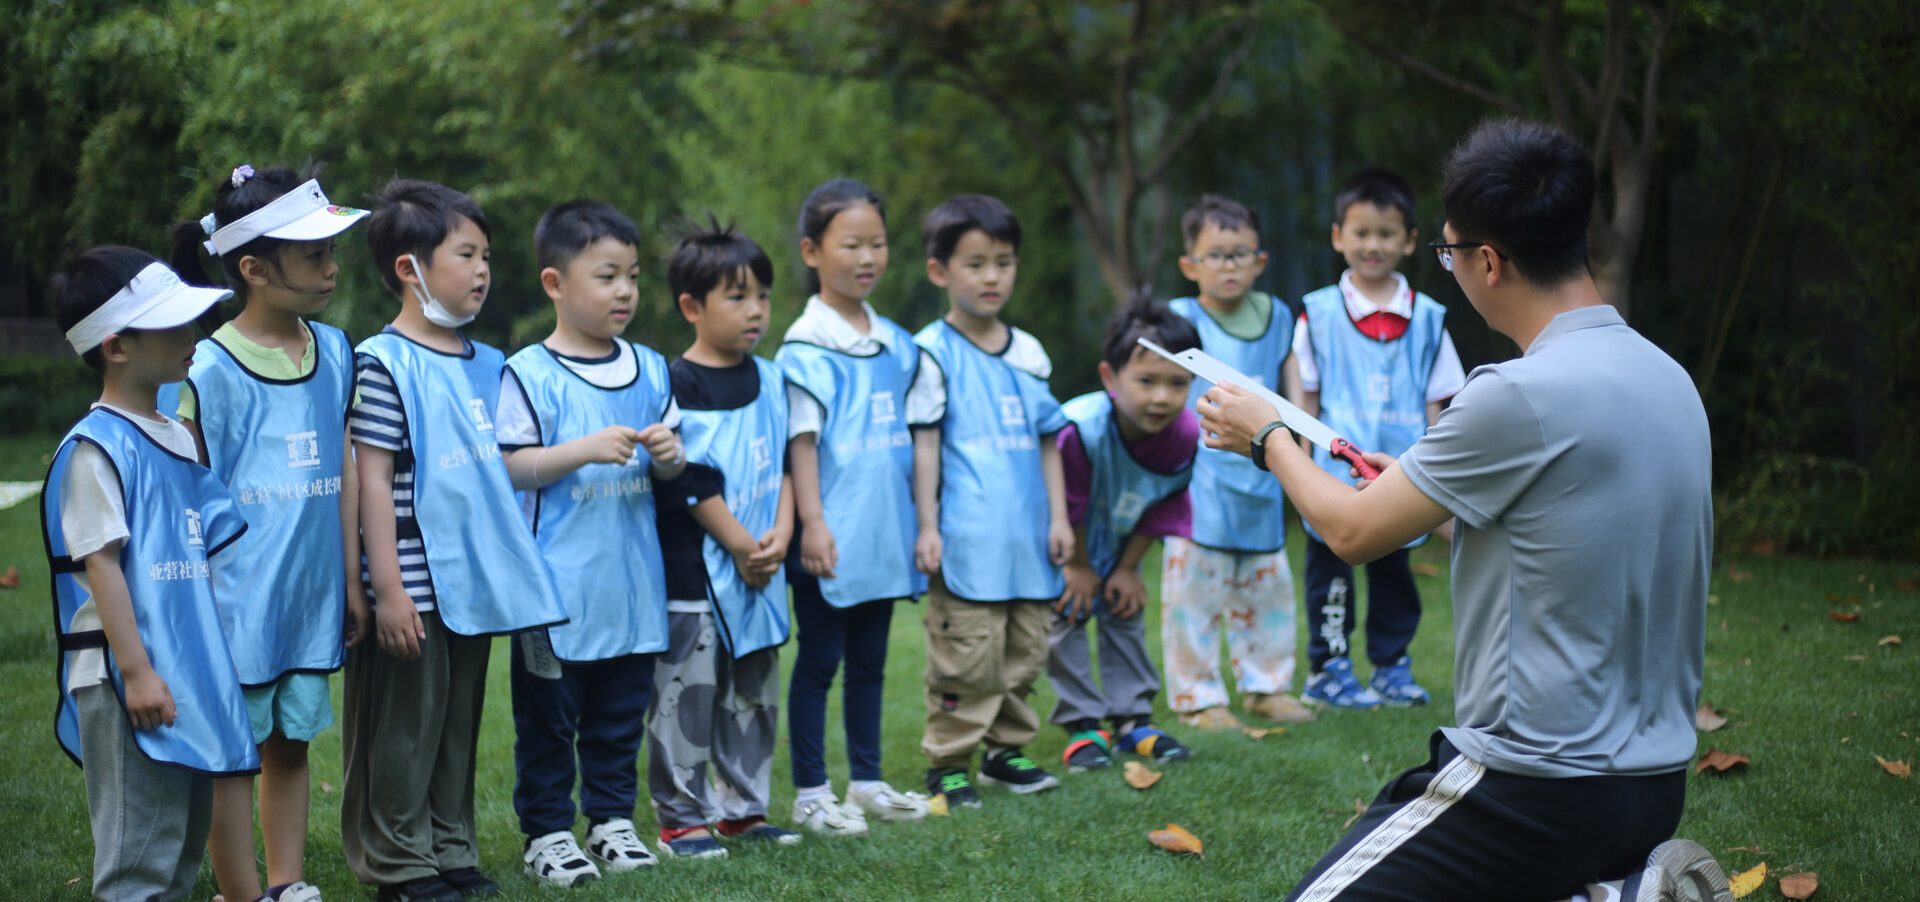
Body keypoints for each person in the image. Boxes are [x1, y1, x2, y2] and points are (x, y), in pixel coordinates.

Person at [1196, 118, 1729, 902]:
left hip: (1530, 785)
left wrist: (1269, 434)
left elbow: (1347, 533)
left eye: (1446, 252)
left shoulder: (1515, 393)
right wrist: (1423, 484)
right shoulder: (1666, 377)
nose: (1447, 269)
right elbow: (1561, 524)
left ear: (1487, 261)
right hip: (1653, 785)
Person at [342, 180, 569, 902]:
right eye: (465, 254)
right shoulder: (382, 362)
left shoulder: (488, 363)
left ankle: (450, 849)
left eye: (487, 256)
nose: (481, 271)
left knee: (454, 727)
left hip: (474, 585)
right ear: (410, 268)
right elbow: (371, 482)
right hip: (413, 583)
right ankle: (400, 866)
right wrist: (389, 592)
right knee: (401, 731)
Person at [163, 164, 370, 902]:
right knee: (231, 753)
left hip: (308, 596)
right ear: (253, 268)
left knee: (290, 743)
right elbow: (180, 496)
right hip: (233, 603)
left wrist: (350, 580)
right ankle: (240, 891)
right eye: (314, 255)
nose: (331, 266)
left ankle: (287, 884)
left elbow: (343, 468)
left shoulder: (337, 350)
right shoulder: (205, 368)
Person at [43, 247, 258, 902]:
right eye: (173, 325)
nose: (192, 336)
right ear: (117, 347)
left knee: (181, 844)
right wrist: (135, 673)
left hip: (179, 672)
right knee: (139, 853)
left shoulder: (173, 433)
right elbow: (100, 563)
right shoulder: (97, 446)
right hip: (124, 678)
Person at [496, 201, 686, 886]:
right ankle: (548, 833)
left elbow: (673, 467)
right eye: (607, 276)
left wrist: (667, 454)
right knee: (548, 722)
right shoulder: (528, 371)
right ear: (555, 283)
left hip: (633, 585)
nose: (625, 292)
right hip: (556, 593)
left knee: (617, 718)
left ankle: (610, 821)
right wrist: (578, 450)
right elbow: (513, 465)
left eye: (632, 276)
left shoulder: (650, 368)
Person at [778, 178, 931, 837]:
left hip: (886, 533)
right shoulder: (805, 347)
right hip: (830, 536)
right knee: (819, 663)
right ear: (813, 252)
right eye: (851, 245)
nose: (867, 257)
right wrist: (812, 524)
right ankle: (811, 793)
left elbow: (923, 439)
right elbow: (801, 444)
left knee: (870, 663)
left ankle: (865, 783)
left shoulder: (901, 344)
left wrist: (926, 524)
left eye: (878, 243)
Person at [646, 220, 800, 859]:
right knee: (689, 696)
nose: (756, 310)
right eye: (736, 297)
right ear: (691, 306)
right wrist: (740, 544)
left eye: (761, 295)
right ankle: (682, 817)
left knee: (753, 696)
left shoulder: (771, 377)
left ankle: (744, 808)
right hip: (698, 575)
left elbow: (787, 461)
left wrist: (782, 533)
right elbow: (690, 479)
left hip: (764, 567)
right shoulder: (674, 384)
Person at [912, 194, 1071, 807]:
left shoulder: (1028, 352)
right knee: (965, 657)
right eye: (975, 263)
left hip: (1028, 539)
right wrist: (927, 526)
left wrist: (1059, 517)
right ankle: (949, 763)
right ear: (940, 272)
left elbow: (1048, 441)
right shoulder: (931, 352)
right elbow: (925, 447)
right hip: (965, 540)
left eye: (1003, 262)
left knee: (1023, 651)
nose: (991, 277)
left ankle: (1006, 753)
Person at [1292, 168, 1466, 710]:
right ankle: (1330, 669)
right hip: (1332, 476)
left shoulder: (1431, 319)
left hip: (1402, 475)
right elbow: (1306, 400)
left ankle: (1392, 667)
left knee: (1395, 576)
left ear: (1410, 241)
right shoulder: (1317, 313)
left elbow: (1441, 407)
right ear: (1338, 235)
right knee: (1331, 578)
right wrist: (1303, 472)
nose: (1373, 245)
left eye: (1386, 234)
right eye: (1361, 233)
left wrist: (1442, 481)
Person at [1164, 195, 1314, 728]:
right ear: (1190, 266)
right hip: (1197, 476)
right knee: (1194, 592)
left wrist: (1303, 457)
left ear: (1260, 261)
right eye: (1216, 256)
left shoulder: (1277, 317)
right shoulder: (1177, 319)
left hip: (1261, 474)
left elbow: (1293, 389)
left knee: (1267, 584)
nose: (1228, 266)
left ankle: (1266, 687)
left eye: (1239, 254)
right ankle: (1198, 697)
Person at [1049, 300, 1202, 774]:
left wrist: (1126, 568)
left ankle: (1132, 719)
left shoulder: (1183, 436)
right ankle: (1082, 726)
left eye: (1177, 383)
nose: (1162, 397)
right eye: (1147, 381)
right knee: (1067, 615)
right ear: (1110, 378)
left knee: (1124, 608)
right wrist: (1077, 568)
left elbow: (1166, 503)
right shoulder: (1079, 431)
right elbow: (1067, 502)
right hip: (1062, 544)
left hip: (1120, 541)